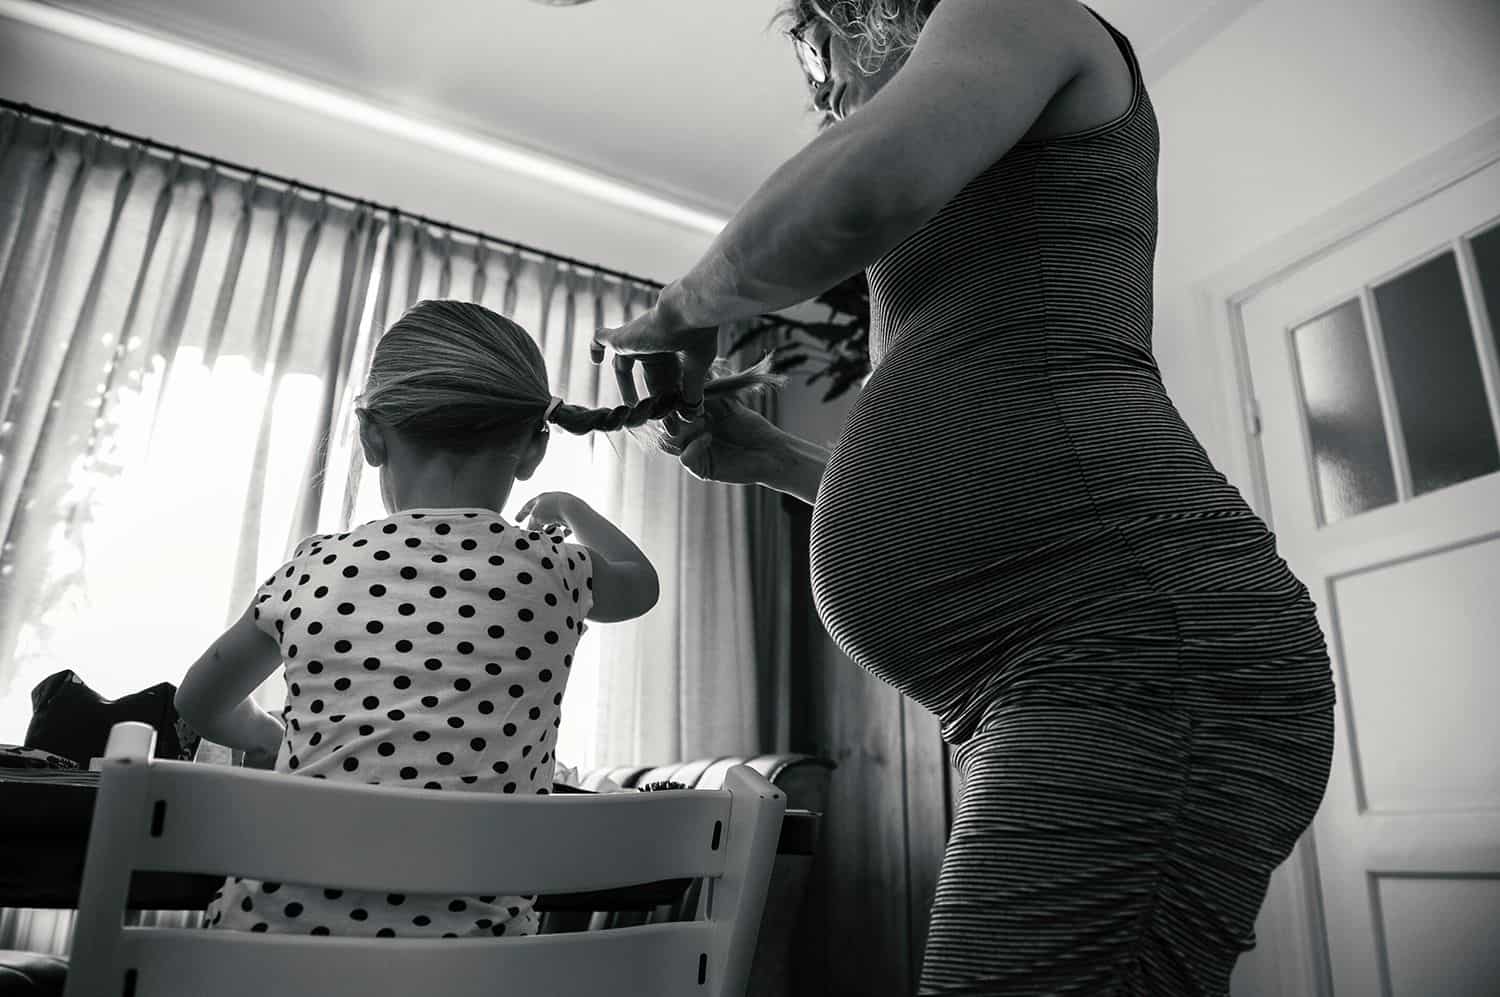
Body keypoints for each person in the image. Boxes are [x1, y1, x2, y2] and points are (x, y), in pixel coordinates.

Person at [590, 2, 1338, 994]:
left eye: (814, 47)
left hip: (1135, 652)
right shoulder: (979, 171)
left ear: (863, 10)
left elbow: (871, 182)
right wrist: (777, 460)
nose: (819, 91)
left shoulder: (1012, 9)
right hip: (1069, 672)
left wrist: (684, 307)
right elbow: (982, 455)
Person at [172, 298, 772, 938]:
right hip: (477, 960)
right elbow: (641, 584)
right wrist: (572, 509)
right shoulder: (556, 570)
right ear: (531, 451)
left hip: (262, 952)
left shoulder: (317, 566)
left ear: (372, 435)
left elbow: (198, 702)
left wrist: (269, 736)